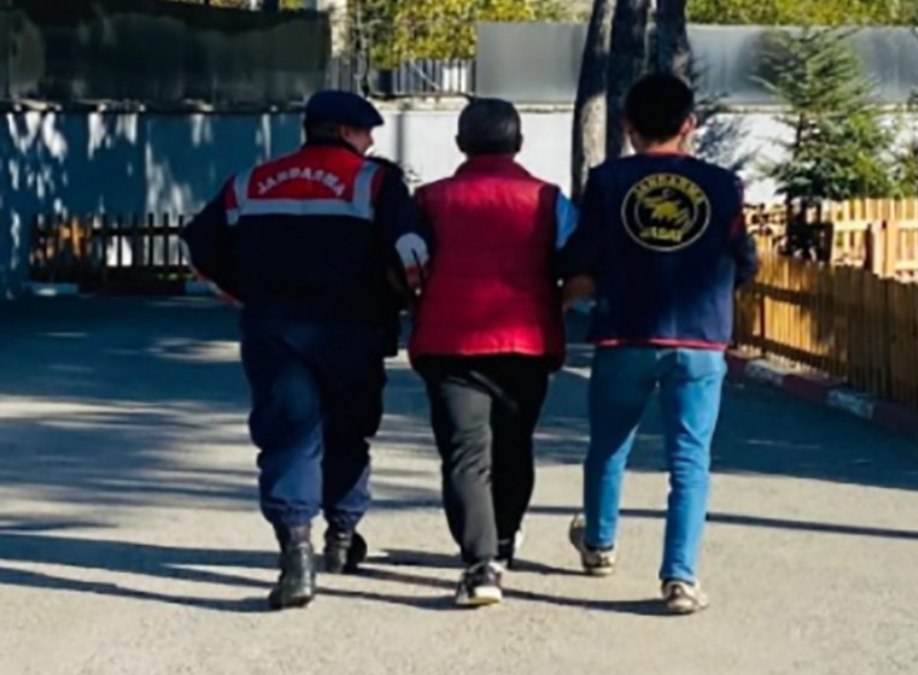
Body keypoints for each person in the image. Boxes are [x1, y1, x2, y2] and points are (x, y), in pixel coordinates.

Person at [181, 90, 417, 610]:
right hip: (353, 330)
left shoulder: (250, 182)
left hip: (274, 329)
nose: (370, 141)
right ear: (344, 132)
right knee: (348, 431)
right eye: (365, 132)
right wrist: (407, 301)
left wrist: (244, 293)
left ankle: (296, 553)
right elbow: (411, 252)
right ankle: (341, 536)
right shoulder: (375, 182)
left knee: (287, 435)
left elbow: (198, 246)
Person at [559, 73, 759, 614]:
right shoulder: (723, 186)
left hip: (624, 330)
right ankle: (680, 577)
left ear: (628, 127)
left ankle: (599, 543)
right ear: (689, 124)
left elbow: (582, 254)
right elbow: (744, 259)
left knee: (609, 445)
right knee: (689, 459)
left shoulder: (608, 181)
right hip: (700, 338)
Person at [400, 97, 572, 607]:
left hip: (448, 343)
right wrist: (552, 303)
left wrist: (416, 302)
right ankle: (504, 540)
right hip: (526, 341)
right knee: (514, 446)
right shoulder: (548, 199)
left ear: (460, 144)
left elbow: (405, 263)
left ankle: (479, 566)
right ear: (519, 143)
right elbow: (578, 263)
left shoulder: (429, 199)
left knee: (465, 452)